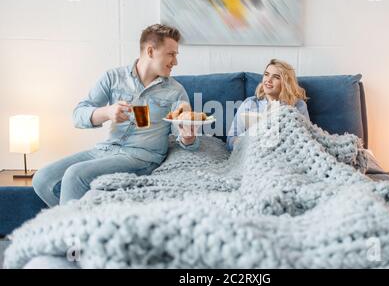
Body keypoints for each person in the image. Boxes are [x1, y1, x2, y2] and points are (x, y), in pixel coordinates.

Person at [33, 24, 200, 206]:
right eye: (171, 54)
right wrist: (107, 112)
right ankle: (79, 219)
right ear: (150, 51)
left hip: (141, 157)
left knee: (75, 174)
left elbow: (184, 136)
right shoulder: (113, 77)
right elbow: (78, 115)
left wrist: (188, 137)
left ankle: (70, 230)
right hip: (105, 150)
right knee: (42, 178)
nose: (175, 62)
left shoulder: (175, 91)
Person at [227, 59, 310, 151]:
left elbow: (305, 139)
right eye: (266, 74)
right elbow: (231, 139)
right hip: (253, 152)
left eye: (276, 77)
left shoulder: (298, 105)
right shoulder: (249, 104)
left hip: (283, 152)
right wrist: (246, 141)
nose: (269, 80)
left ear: (286, 83)